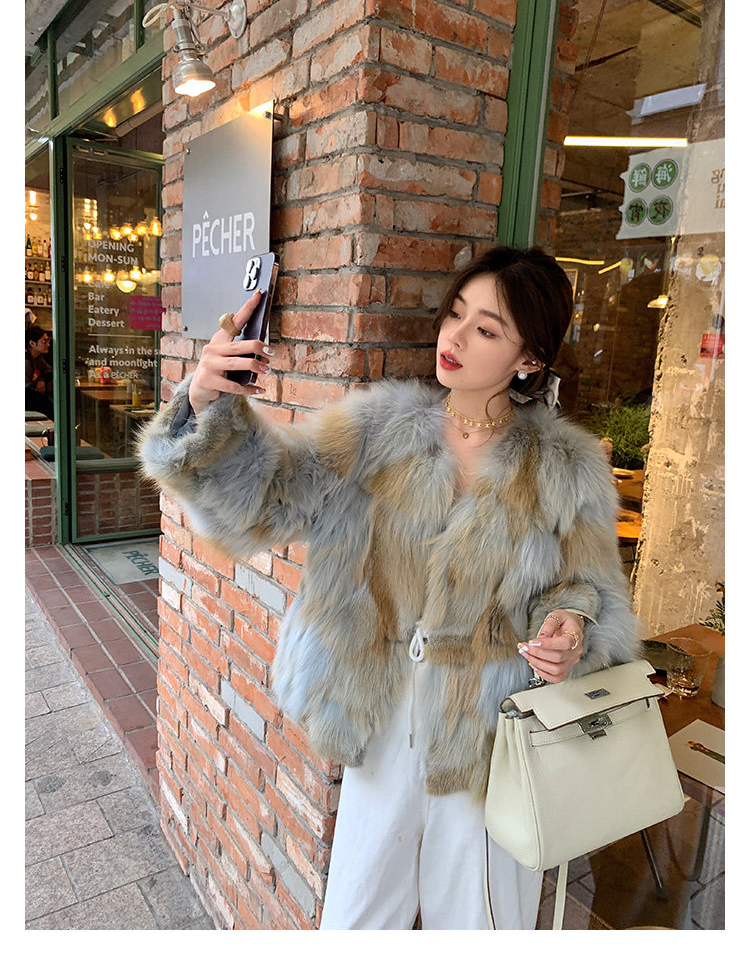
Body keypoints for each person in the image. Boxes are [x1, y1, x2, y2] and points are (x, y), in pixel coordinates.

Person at [138, 246, 640, 930]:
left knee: (482, 927)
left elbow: (589, 588)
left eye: (487, 329)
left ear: (529, 358)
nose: (455, 337)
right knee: (359, 920)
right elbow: (268, 498)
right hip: (380, 716)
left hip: (492, 736)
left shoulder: (567, 468)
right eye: (456, 313)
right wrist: (204, 403)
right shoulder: (377, 430)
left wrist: (571, 627)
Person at [25, 326, 54, 418]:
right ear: (32, 343)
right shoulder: (26, 361)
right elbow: (27, 390)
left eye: (48, 341)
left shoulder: (38, 357)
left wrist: (42, 380)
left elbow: (49, 370)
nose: (48, 345)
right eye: (44, 341)